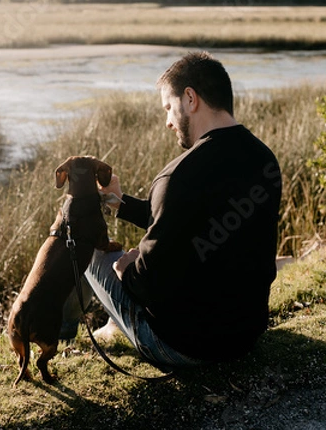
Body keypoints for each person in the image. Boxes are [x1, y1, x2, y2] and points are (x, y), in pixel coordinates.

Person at [62, 51, 282, 370]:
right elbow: (187, 219)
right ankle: (105, 324)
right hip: (245, 337)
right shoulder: (265, 160)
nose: (167, 121)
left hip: (182, 346)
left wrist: (127, 266)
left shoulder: (176, 176)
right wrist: (115, 202)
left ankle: (63, 332)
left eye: (168, 107)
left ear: (190, 98)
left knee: (83, 238)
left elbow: (148, 284)